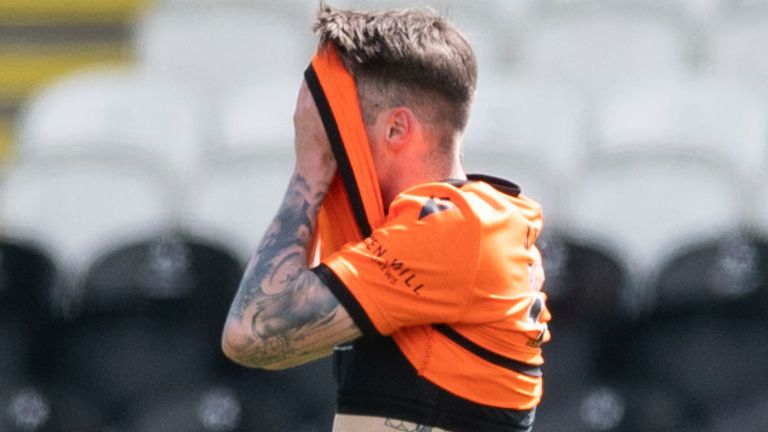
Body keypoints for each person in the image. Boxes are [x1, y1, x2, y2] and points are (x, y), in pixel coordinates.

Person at [221, 4, 550, 432]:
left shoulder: (454, 229)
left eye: (337, 127)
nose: (328, 141)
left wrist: (311, 167)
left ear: (396, 128)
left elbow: (251, 333)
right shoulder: (467, 223)